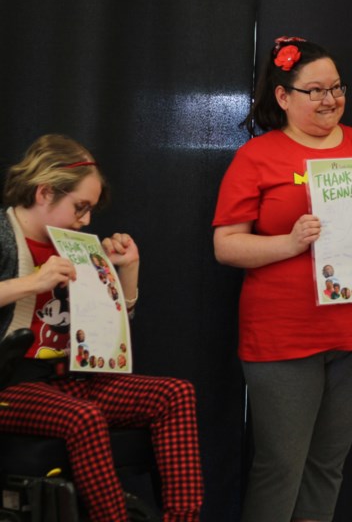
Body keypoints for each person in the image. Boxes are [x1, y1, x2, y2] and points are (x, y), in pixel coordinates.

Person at [212, 37, 352, 522]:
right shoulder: (257, 157)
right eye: (316, 90)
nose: (330, 99)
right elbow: (226, 246)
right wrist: (287, 244)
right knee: (281, 465)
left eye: (337, 88)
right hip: (284, 334)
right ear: (283, 96)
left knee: (328, 465)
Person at [0, 133, 203, 522]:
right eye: (80, 207)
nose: (87, 219)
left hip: (74, 378)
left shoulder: (74, 245)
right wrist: (32, 283)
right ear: (44, 193)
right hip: (12, 385)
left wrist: (126, 271)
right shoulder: (4, 235)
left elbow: (112, 328)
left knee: (175, 393)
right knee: (84, 418)